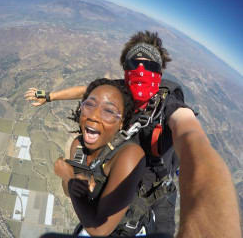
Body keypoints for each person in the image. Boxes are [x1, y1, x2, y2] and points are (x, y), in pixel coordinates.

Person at [25, 31, 242, 237]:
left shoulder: (169, 105)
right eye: (133, 64)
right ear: (125, 70)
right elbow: (87, 90)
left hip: (155, 196)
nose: (140, 70)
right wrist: (50, 96)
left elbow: (190, 136)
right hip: (119, 183)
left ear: (159, 72)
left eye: (149, 65)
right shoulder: (122, 90)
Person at [54, 78, 147, 236]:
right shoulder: (79, 146)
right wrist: (71, 179)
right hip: (90, 220)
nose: (94, 116)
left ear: (121, 123)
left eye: (109, 111)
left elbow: (100, 229)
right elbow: (70, 192)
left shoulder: (129, 155)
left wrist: (70, 177)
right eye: (89, 105)